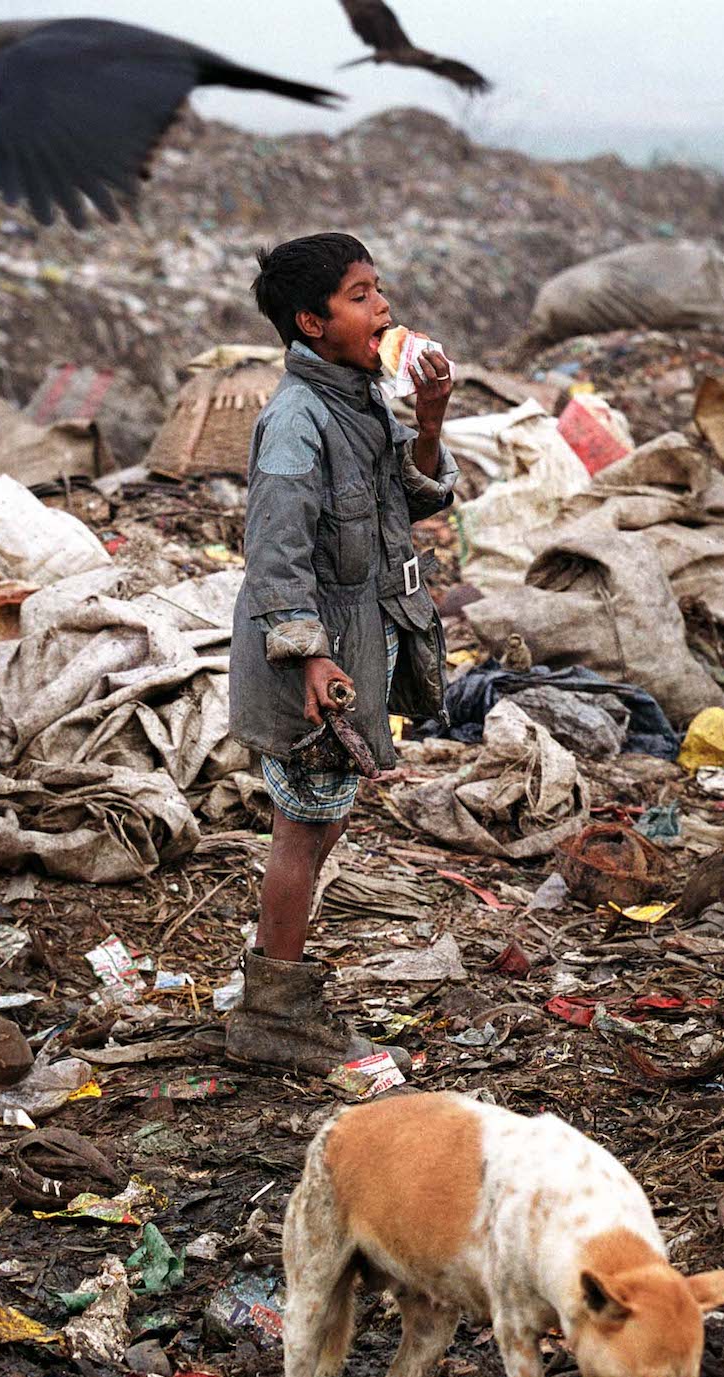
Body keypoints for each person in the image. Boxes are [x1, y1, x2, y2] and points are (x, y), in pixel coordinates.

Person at [227, 232, 457, 1073]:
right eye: (360, 295)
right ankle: (274, 1009)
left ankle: (273, 971)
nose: (383, 308)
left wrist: (428, 424)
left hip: (358, 641)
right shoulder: (296, 421)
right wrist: (311, 658)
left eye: (379, 290)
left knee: (320, 818)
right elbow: (275, 552)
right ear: (310, 321)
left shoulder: (361, 401)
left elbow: (413, 495)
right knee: (304, 824)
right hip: (315, 660)